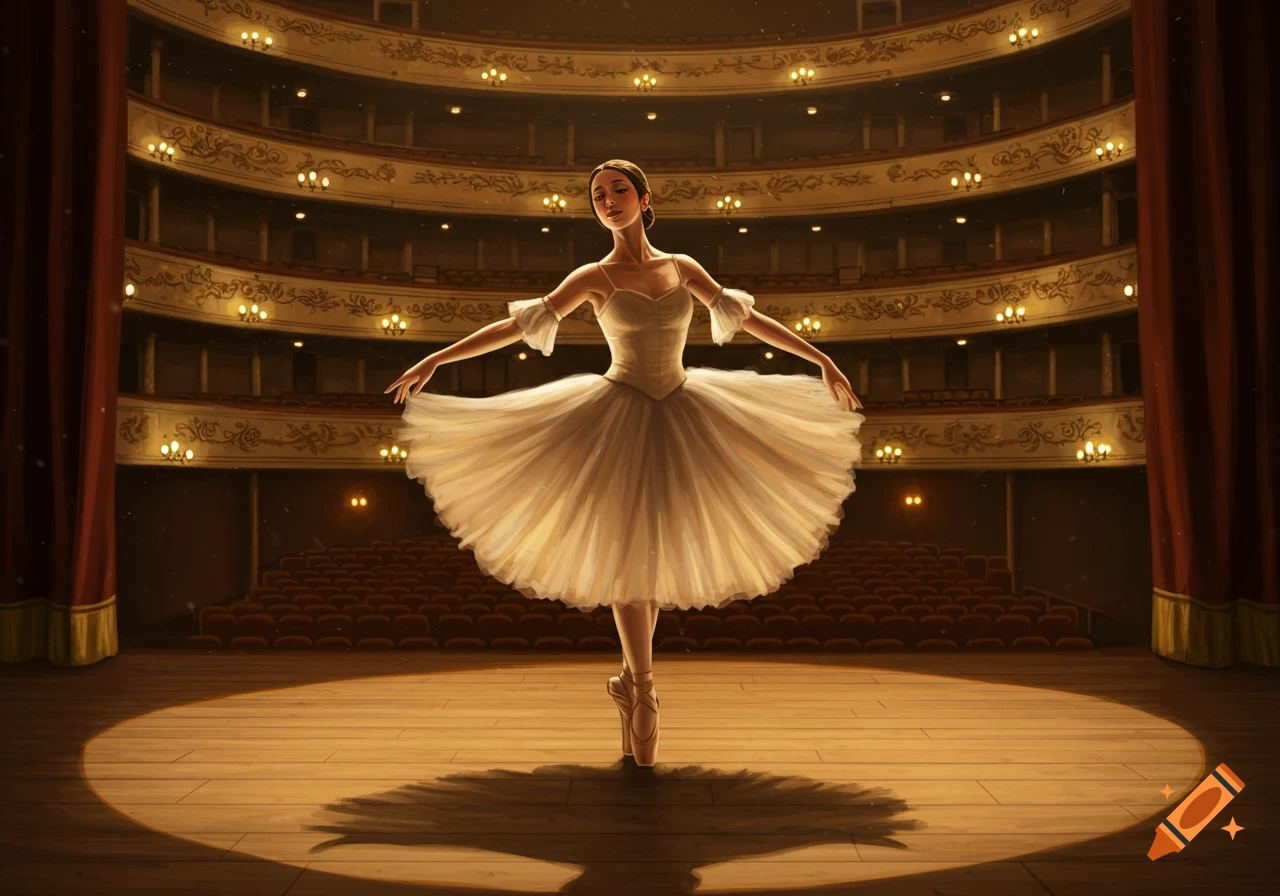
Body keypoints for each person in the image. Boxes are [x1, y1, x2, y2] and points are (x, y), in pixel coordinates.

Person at [386, 159, 863, 767]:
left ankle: (636, 687)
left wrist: (820, 357)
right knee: (629, 550)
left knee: (647, 551)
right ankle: (641, 687)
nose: (607, 201)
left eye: (617, 191)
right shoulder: (594, 275)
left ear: (644, 198)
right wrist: (438, 357)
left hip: (686, 409)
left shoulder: (681, 267)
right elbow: (517, 326)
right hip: (618, 411)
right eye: (597, 195)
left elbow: (747, 321)